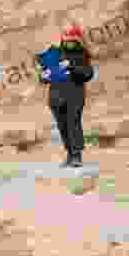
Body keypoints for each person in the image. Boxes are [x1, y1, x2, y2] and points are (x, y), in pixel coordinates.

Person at [40, 24, 94, 167]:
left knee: (73, 123)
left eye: (71, 38)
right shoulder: (54, 54)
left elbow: (88, 74)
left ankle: (77, 155)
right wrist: (44, 76)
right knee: (62, 126)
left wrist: (71, 66)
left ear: (76, 39)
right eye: (66, 37)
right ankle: (70, 154)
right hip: (56, 96)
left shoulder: (82, 54)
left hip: (74, 96)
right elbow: (45, 75)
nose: (68, 41)